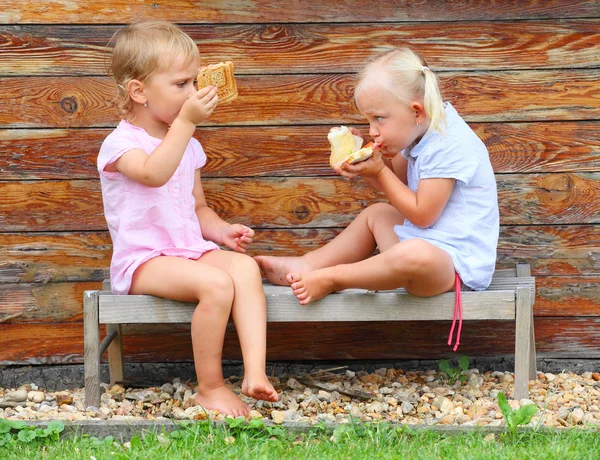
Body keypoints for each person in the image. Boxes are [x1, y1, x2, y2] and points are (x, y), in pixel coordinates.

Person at [255, 47, 499, 348]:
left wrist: (380, 172)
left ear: (416, 111)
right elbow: (398, 189)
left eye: (379, 119)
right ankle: (307, 265)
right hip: (423, 242)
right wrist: (372, 169)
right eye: (369, 120)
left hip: (453, 267)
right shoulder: (420, 132)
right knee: (378, 214)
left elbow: (423, 214)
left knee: (414, 254)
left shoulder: (449, 143)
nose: (373, 130)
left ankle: (333, 278)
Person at [97, 20, 278, 416]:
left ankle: (255, 373)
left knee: (244, 269)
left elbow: (196, 207)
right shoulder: (121, 143)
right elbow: (153, 173)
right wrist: (186, 122)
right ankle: (210, 387)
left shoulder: (189, 144)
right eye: (182, 85)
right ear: (139, 91)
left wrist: (222, 232)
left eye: (194, 82)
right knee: (216, 285)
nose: (194, 93)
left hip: (188, 250)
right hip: (144, 260)